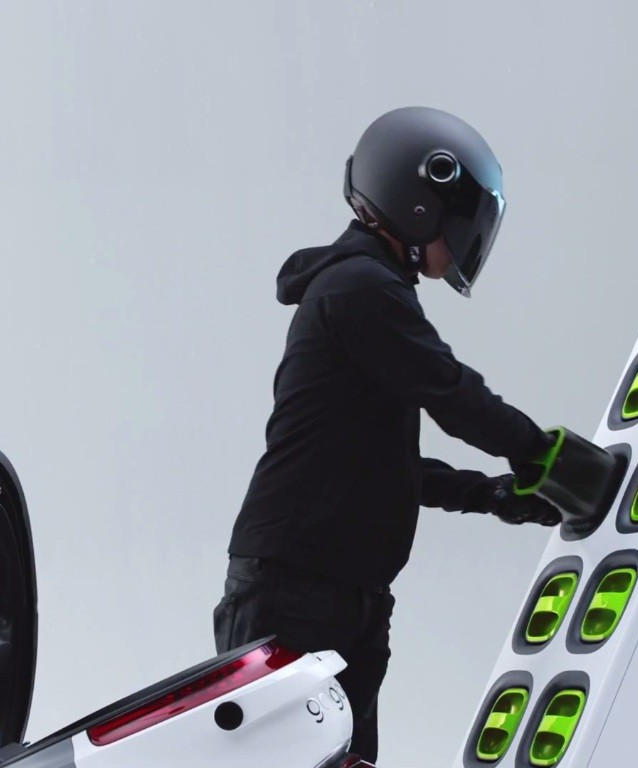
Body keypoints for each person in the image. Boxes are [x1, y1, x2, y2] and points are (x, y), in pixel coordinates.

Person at [213, 106, 564, 762]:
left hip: (340, 592)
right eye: (461, 219)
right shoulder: (360, 290)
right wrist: (546, 457)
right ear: (418, 203)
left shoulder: (370, 289)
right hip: (294, 592)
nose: (466, 239)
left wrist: (492, 494)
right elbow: (453, 395)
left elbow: (383, 464)